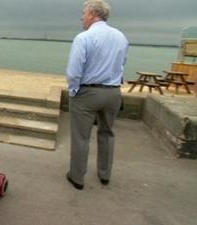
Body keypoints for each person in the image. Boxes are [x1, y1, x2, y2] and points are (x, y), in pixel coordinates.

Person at [65, 0, 129, 190]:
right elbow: (122, 63)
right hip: (113, 93)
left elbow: (74, 71)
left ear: (92, 14)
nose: (82, 17)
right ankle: (105, 174)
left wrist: (74, 90)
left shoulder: (83, 38)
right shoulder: (121, 37)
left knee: (81, 137)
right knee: (107, 133)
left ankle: (77, 177)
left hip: (88, 92)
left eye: (84, 13)